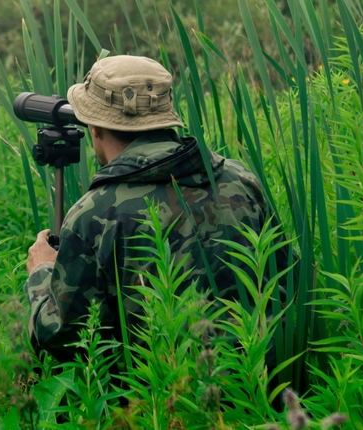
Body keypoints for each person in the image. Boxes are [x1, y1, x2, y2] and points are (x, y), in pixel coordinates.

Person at [24, 55, 283, 362]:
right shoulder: (240, 180)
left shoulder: (96, 212)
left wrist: (41, 273)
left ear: (94, 127)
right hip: (257, 393)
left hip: (161, 403)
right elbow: (285, 281)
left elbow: (63, 338)